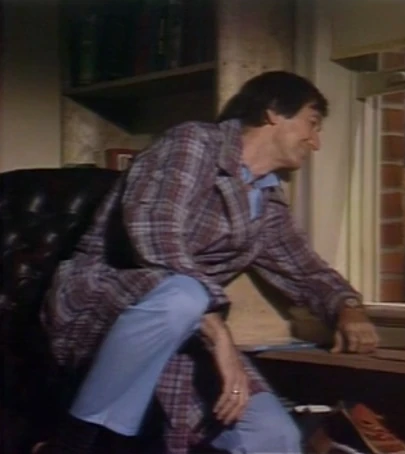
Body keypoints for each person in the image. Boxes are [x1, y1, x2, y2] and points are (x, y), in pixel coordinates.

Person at [38, 71, 380, 454]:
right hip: (105, 305)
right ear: (273, 112)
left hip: (188, 331)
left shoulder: (267, 199)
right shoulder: (193, 143)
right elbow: (154, 236)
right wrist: (220, 336)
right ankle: (74, 443)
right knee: (184, 295)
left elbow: (303, 267)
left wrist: (347, 306)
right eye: (312, 124)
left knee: (273, 435)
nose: (315, 142)